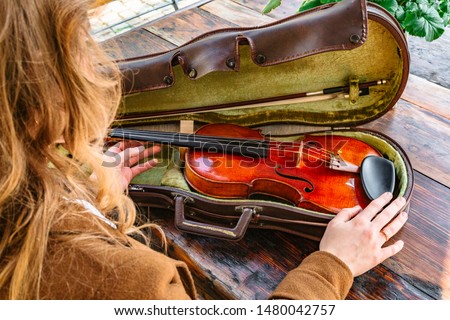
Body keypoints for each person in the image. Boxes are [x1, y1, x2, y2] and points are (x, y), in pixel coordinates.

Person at [0, 0, 408, 300]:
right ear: (38, 106)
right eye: (82, 52)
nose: (102, 71)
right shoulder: (134, 284)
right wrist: (331, 267)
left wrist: (94, 207)